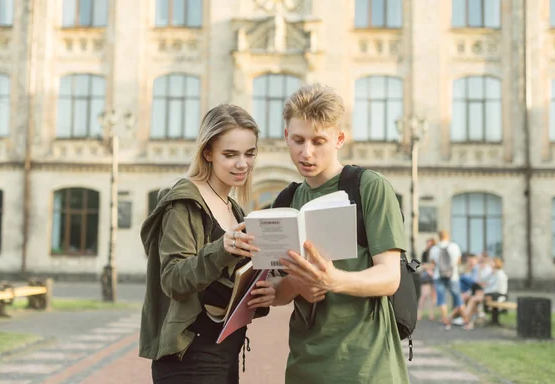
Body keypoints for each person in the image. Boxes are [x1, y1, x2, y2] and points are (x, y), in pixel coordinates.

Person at [269, 84, 409, 383]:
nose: (306, 152)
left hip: (366, 367)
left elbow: (389, 277)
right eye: (298, 140)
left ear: (339, 139)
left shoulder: (369, 187)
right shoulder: (284, 202)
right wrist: (294, 284)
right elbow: (278, 294)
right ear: (286, 137)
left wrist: (333, 280)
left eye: (319, 141)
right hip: (304, 367)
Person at [139, 104, 276, 384]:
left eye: (250, 154)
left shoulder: (235, 210)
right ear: (208, 153)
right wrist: (221, 249)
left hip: (225, 351)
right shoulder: (183, 203)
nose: (242, 164)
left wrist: (262, 293)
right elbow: (173, 279)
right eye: (230, 154)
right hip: (189, 356)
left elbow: (224, 286)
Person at [429, 230, 468, 330]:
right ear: (448, 236)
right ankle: (466, 322)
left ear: (439, 236)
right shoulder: (454, 246)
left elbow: (433, 263)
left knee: (442, 300)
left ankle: (446, 323)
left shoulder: (434, 249)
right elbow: (458, 261)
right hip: (453, 276)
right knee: (458, 298)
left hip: (438, 276)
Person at [463, 257, 508, 330]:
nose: (489, 264)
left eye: (492, 262)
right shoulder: (493, 273)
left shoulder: (500, 274)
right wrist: (480, 269)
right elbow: (481, 280)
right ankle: (472, 318)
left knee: (473, 299)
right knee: (472, 298)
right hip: (491, 294)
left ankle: (466, 320)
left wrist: (483, 292)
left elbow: (497, 289)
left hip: (497, 296)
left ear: (496, 263)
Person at [418, 238, 437, 321]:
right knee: (424, 295)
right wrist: (429, 268)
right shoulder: (425, 253)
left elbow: (436, 265)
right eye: (427, 243)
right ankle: (419, 313)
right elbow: (423, 264)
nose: (428, 245)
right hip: (426, 275)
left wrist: (430, 267)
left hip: (435, 275)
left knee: (433, 296)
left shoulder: (436, 253)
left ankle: (431, 313)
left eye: (430, 243)